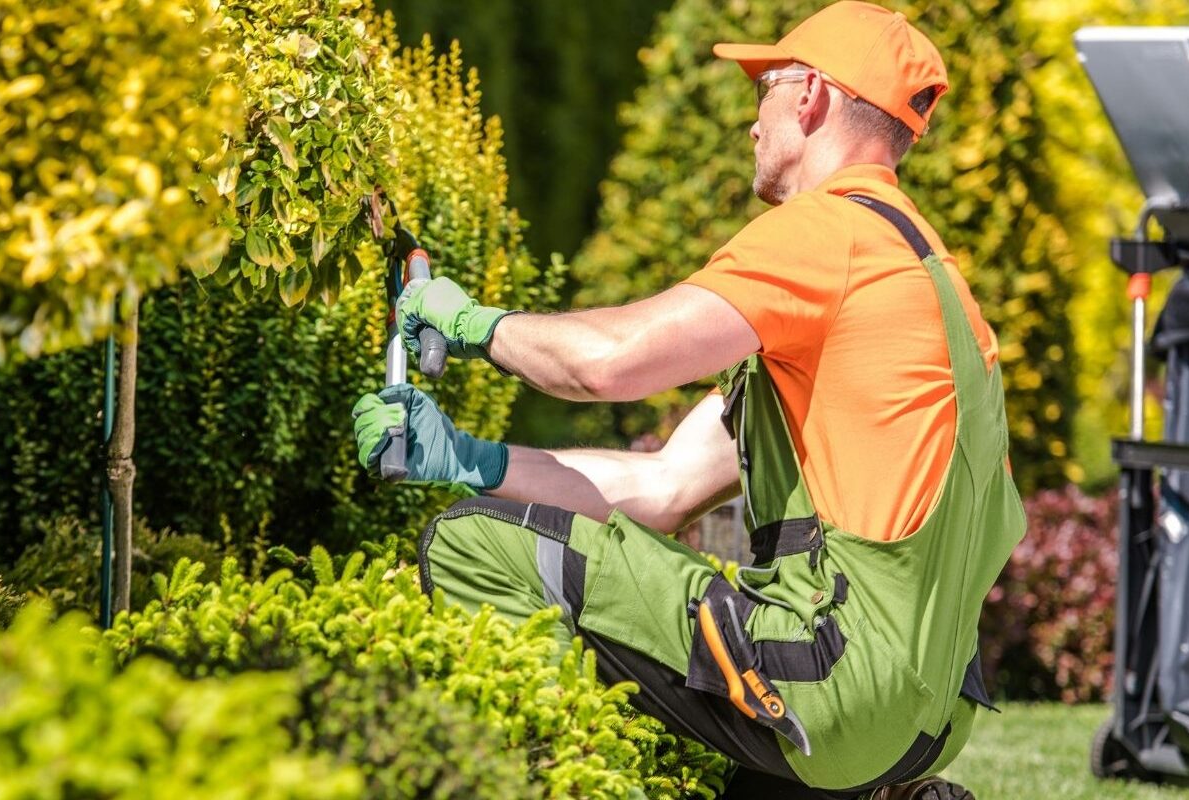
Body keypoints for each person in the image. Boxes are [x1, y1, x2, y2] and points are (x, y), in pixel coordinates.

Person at [350, 2, 1025, 797]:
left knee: (471, 545)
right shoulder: (929, 280)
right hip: (924, 713)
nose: (753, 123)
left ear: (811, 95)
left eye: (765, 90)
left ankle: (564, 780)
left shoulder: (828, 233)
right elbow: (665, 487)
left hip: (833, 677)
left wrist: (473, 323)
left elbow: (608, 365)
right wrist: (468, 458)